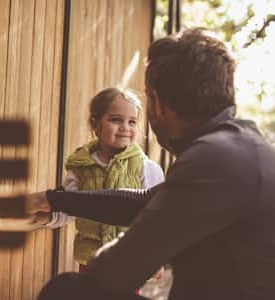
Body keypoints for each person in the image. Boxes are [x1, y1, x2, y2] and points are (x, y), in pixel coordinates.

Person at [28, 28, 275, 300]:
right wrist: (55, 200)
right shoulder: (240, 148)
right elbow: (142, 202)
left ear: (157, 103)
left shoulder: (214, 157)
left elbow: (116, 270)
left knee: (67, 292)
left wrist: (99, 263)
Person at [31, 87, 164, 272]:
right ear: (96, 125)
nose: (125, 127)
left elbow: (156, 220)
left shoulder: (146, 168)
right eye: (116, 120)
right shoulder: (81, 168)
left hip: (130, 262)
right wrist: (49, 218)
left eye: (132, 122)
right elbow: (69, 206)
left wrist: (155, 259)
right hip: (90, 262)